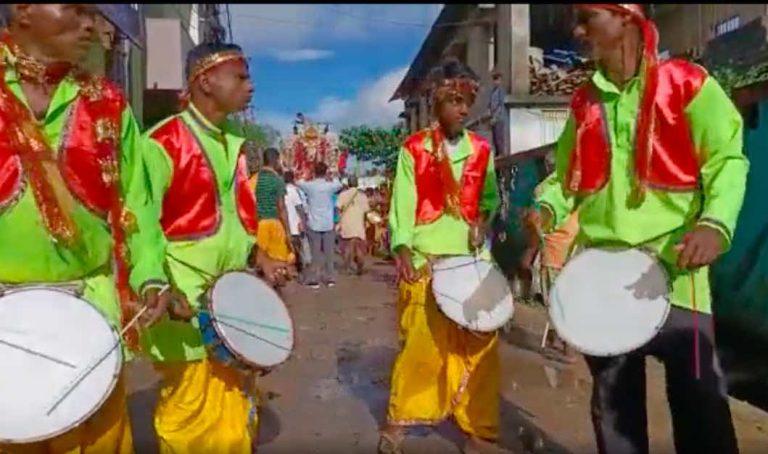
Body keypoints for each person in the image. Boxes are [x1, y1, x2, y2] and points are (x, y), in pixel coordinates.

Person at [536, 4, 749, 454]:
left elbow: (727, 161)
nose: (577, 31)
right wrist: (546, 208)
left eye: (587, 18)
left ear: (627, 17)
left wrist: (714, 224)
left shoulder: (688, 85)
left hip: (680, 282)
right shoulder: (583, 103)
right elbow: (564, 178)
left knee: (702, 406)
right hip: (602, 283)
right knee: (616, 414)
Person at [0, 4, 168, 453]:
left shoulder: (108, 104)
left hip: (91, 316)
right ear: (23, 11)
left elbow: (138, 204)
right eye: (76, 9)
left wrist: (149, 274)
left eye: (94, 13)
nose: (91, 24)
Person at [131, 42, 263, 452]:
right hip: (181, 301)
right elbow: (139, 226)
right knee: (188, 411)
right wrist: (161, 286)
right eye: (240, 77)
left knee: (234, 403)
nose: (250, 86)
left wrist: (261, 255)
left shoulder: (232, 144)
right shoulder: (161, 143)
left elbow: (235, 219)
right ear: (205, 80)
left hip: (230, 297)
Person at [380, 58, 501, 454]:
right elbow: (402, 208)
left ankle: (477, 429)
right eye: (454, 101)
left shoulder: (482, 151)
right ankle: (398, 422)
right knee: (420, 349)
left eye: (467, 101)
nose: (462, 109)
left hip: (470, 263)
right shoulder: (413, 150)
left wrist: (483, 220)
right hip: (426, 260)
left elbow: (488, 201)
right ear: (436, 102)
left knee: (480, 349)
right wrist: (404, 251)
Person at [253, 147, 296, 288]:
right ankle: (275, 291)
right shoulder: (277, 180)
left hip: (258, 224)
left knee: (261, 261)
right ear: (276, 161)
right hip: (274, 224)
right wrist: (288, 231)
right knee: (279, 264)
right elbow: (281, 208)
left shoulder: (254, 180)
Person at [297, 162, 343, 289]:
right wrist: (332, 175)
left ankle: (314, 279)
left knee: (315, 254)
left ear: (314, 172)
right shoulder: (330, 186)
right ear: (325, 172)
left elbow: (298, 182)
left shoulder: (310, 186)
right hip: (328, 223)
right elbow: (339, 183)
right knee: (329, 253)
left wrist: (306, 175)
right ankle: (330, 278)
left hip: (314, 224)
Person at [336, 175, 371, 275]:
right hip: (359, 224)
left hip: (347, 223)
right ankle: (360, 267)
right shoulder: (362, 196)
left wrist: (338, 222)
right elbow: (366, 211)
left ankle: (346, 267)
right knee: (359, 247)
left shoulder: (343, 195)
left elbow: (338, 209)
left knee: (348, 247)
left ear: (348, 183)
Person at [284, 170, 309, 281]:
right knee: (297, 250)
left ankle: (290, 271)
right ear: (293, 179)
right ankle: (299, 273)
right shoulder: (293, 191)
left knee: (289, 250)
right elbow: (300, 208)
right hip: (294, 226)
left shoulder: (281, 190)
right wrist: (303, 222)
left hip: (285, 226)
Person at [488, 69, 507, 156]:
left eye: (497, 79)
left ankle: (501, 155)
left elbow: (500, 105)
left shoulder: (500, 91)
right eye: (494, 79)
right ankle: (497, 155)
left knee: (499, 139)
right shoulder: (492, 92)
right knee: (495, 139)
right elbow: (490, 105)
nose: (495, 81)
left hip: (499, 118)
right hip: (493, 118)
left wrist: (495, 117)